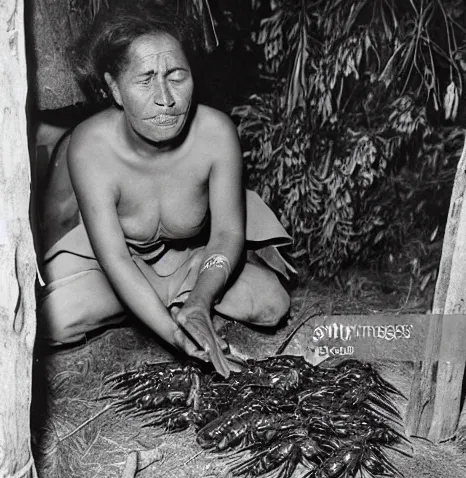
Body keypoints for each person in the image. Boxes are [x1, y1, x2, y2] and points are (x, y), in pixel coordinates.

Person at [36, 2, 295, 377]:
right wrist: (175, 333)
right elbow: (117, 261)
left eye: (176, 75)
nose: (166, 98)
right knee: (50, 322)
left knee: (271, 304)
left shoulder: (215, 132)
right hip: (117, 267)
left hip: (189, 261)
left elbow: (225, 234)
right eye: (145, 80)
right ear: (115, 88)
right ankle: (148, 306)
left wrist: (201, 301)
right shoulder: (90, 144)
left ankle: (168, 301)